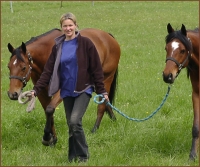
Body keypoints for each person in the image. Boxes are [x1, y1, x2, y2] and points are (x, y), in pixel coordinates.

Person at [31, 12, 109, 163]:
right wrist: (35, 90)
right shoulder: (58, 47)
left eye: (70, 25)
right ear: (61, 28)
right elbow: (47, 72)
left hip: (83, 89)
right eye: (65, 26)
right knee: (71, 125)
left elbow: (96, 69)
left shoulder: (86, 44)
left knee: (74, 121)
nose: (68, 28)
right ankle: (72, 157)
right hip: (66, 91)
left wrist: (102, 90)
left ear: (76, 25)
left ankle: (83, 156)